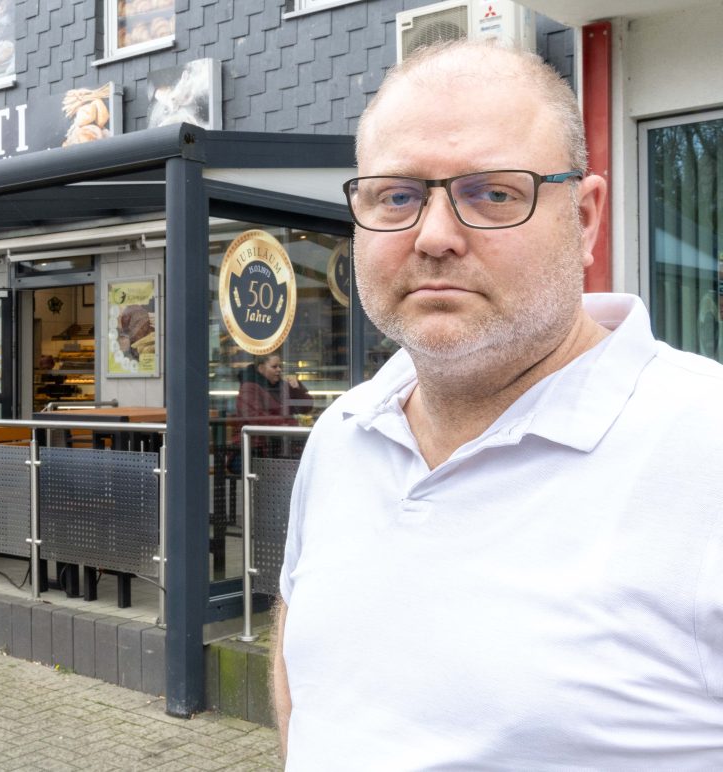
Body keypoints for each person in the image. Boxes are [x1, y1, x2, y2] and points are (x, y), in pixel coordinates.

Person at [273, 40, 723, 769]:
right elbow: (310, 663)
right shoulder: (343, 433)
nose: (436, 237)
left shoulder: (706, 447)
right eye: (397, 195)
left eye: (493, 193)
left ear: (584, 219)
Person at [232, 352, 312, 466]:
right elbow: (256, 418)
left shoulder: (281, 386)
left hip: (276, 447)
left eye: (280, 366)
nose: (279, 370)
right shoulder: (249, 388)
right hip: (251, 450)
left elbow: (307, 407)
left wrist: (297, 389)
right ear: (261, 368)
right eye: (274, 366)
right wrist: (290, 423)